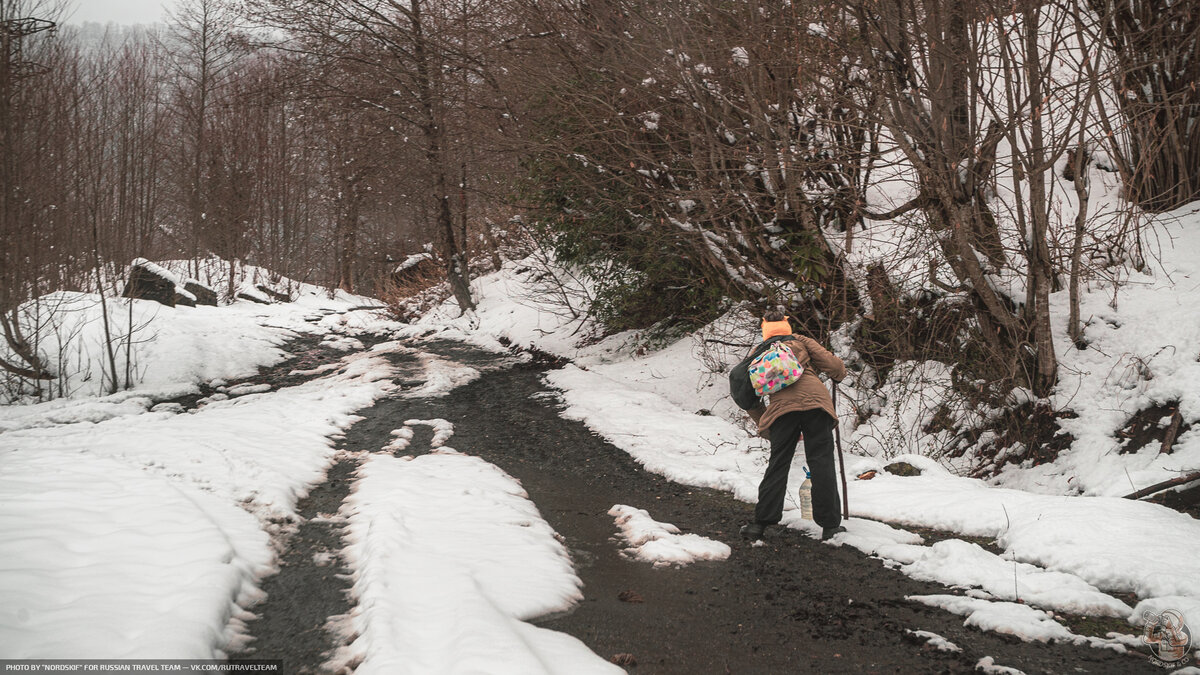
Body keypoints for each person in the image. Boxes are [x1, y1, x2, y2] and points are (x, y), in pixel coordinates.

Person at [741, 308, 848, 542]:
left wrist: (765, 421)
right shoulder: (801, 340)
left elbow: (744, 392)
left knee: (778, 464)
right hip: (816, 405)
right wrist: (837, 374)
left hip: (781, 411)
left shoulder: (758, 353)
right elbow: (835, 367)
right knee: (821, 462)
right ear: (787, 326)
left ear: (764, 330)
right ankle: (830, 526)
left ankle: (760, 524)